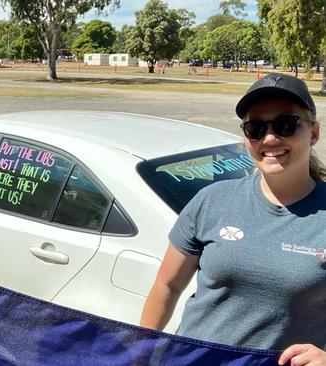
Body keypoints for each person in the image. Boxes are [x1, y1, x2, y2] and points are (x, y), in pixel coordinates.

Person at [140, 72, 326, 365]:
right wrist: (140, 350)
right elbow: (168, 285)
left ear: (313, 133)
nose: (270, 137)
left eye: (286, 125)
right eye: (255, 128)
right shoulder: (212, 200)